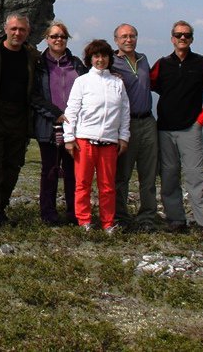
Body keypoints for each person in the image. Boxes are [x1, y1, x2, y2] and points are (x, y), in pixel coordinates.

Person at [150, 20, 203, 243]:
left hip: (191, 129)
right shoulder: (162, 64)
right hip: (165, 129)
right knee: (169, 176)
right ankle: (176, 220)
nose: (182, 38)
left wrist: (199, 122)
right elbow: (146, 84)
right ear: (172, 38)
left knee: (196, 177)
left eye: (186, 35)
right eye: (178, 35)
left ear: (191, 38)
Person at [0, 13, 39, 232]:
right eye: (14, 29)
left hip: (21, 119)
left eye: (22, 30)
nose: (17, 33)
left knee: (13, 167)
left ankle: (0, 210)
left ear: (28, 32)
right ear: (5, 29)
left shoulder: (32, 56)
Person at [63, 39, 130, 233]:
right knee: (82, 183)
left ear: (109, 58)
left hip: (109, 142)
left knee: (107, 186)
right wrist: (69, 138)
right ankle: (84, 221)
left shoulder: (117, 83)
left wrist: (123, 137)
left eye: (104, 56)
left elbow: (125, 112)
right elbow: (72, 110)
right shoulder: (82, 81)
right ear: (90, 59)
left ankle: (108, 223)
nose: (100, 60)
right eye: (96, 56)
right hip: (84, 140)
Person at [31, 21, 87, 226]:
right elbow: (34, 96)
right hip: (48, 125)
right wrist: (55, 114)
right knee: (50, 170)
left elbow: (89, 89)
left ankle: (74, 212)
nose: (58, 40)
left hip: (75, 126)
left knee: (73, 171)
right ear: (47, 39)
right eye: (54, 36)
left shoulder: (76, 63)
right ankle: (48, 213)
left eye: (62, 36)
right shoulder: (39, 64)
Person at [110, 23, 159, 232]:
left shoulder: (143, 59)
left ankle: (148, 215)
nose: (128, 40)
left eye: (132, 36)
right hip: (125, 124)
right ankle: (121, 216)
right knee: (122, 174)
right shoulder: (110, 62)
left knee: (148, 173)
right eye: (124, 37)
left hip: (148, 121)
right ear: (116, 40)